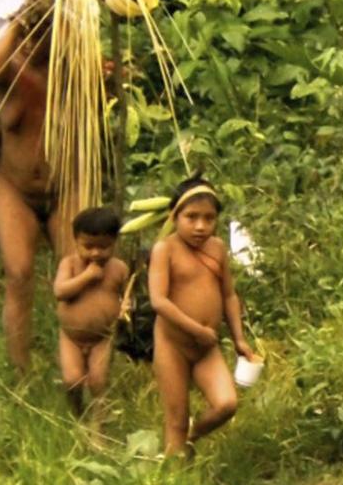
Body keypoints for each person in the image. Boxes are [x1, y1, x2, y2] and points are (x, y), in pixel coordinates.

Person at [0, 0, 73, 375]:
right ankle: (21, 375)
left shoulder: (70, 68)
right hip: (15, 189)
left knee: (79, 276)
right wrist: (19, 20)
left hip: (65, 188)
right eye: (32, 30)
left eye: (45, 28)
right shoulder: (9, 67)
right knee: (18, 275)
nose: (39, 39)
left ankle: (77, 369)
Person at [148, 175, 256, 456]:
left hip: (206, 347)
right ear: (175, 216)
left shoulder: (217, 248)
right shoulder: (165, 249)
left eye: (208, 218)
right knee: (176, 419)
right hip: (173, 345)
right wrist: (196, 329)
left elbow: (229, 295)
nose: (200, 226)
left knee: (226, 404)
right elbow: (158, 301)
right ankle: (174, 480)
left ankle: (190, 439)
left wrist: (239, 339)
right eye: (191, 217)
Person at [53, 207, 129, 422]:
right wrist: (86, 277)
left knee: (98, 382)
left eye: (104, 247)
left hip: (102, 338)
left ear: (114, 243)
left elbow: (127, 295)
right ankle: (76, 413)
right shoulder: (69, 264)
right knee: (73, 379)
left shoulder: (119, 269)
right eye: (88, 246)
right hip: (71, 336)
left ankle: (98, 428)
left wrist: (126, 306)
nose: (95, 253)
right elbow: (60, 291)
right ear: (76, 241)